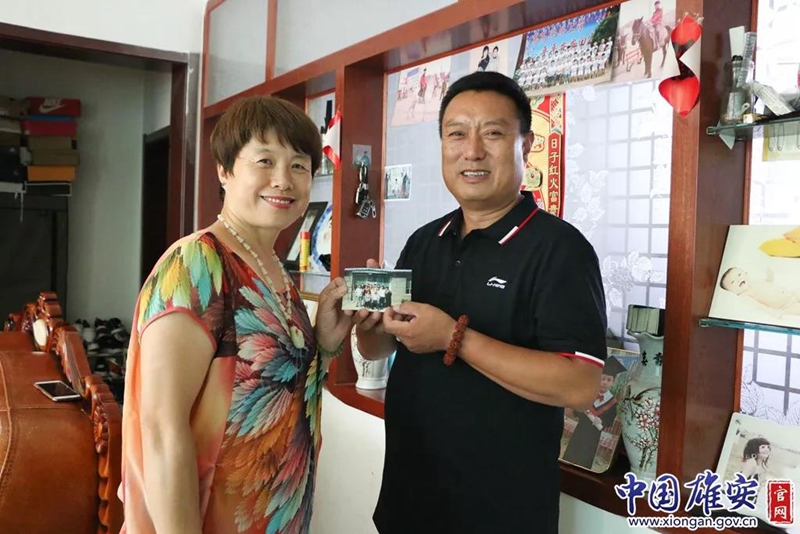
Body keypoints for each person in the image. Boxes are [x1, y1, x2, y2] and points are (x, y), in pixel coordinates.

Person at [356, 71, 608, 534]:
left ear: (526, 145)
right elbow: (377, 349)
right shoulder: (423, 241)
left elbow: (579, 385)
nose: (471, 150)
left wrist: (454, 338)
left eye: (492, 133)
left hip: (499, 513)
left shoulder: (560, 250)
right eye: (456, 134)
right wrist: (371, 322)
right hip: (408, 502)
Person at [119, 96, 353, 534]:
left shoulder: (273, 267)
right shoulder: (196, 264)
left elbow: (276, 389)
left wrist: (324, 343)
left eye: (299, 166)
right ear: (224, 171)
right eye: (265, 161)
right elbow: (161, 429)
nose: (283, 180)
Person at [562, 356, 627, 469]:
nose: (604, 382)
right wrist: (580, 409)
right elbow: (577, 411)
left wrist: (601, 421)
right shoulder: (590, 393)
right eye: (603, 379)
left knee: (586, 456)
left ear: (613, 382)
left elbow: (610, 419)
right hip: (581, 429)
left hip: (594, 434)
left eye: (608, 380)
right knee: (572, 453)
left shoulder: (612, 402)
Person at [719, 266, 800, 318]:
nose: (738, 279)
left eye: (739, 275)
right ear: (732, 291)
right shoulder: (744, 296)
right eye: (732, 282)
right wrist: (773, 313)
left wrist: (770, 276)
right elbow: (760, 307)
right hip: (785, 306)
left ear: (746, 273)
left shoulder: (754, 281)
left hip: (791, 294)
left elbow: (768, 283)